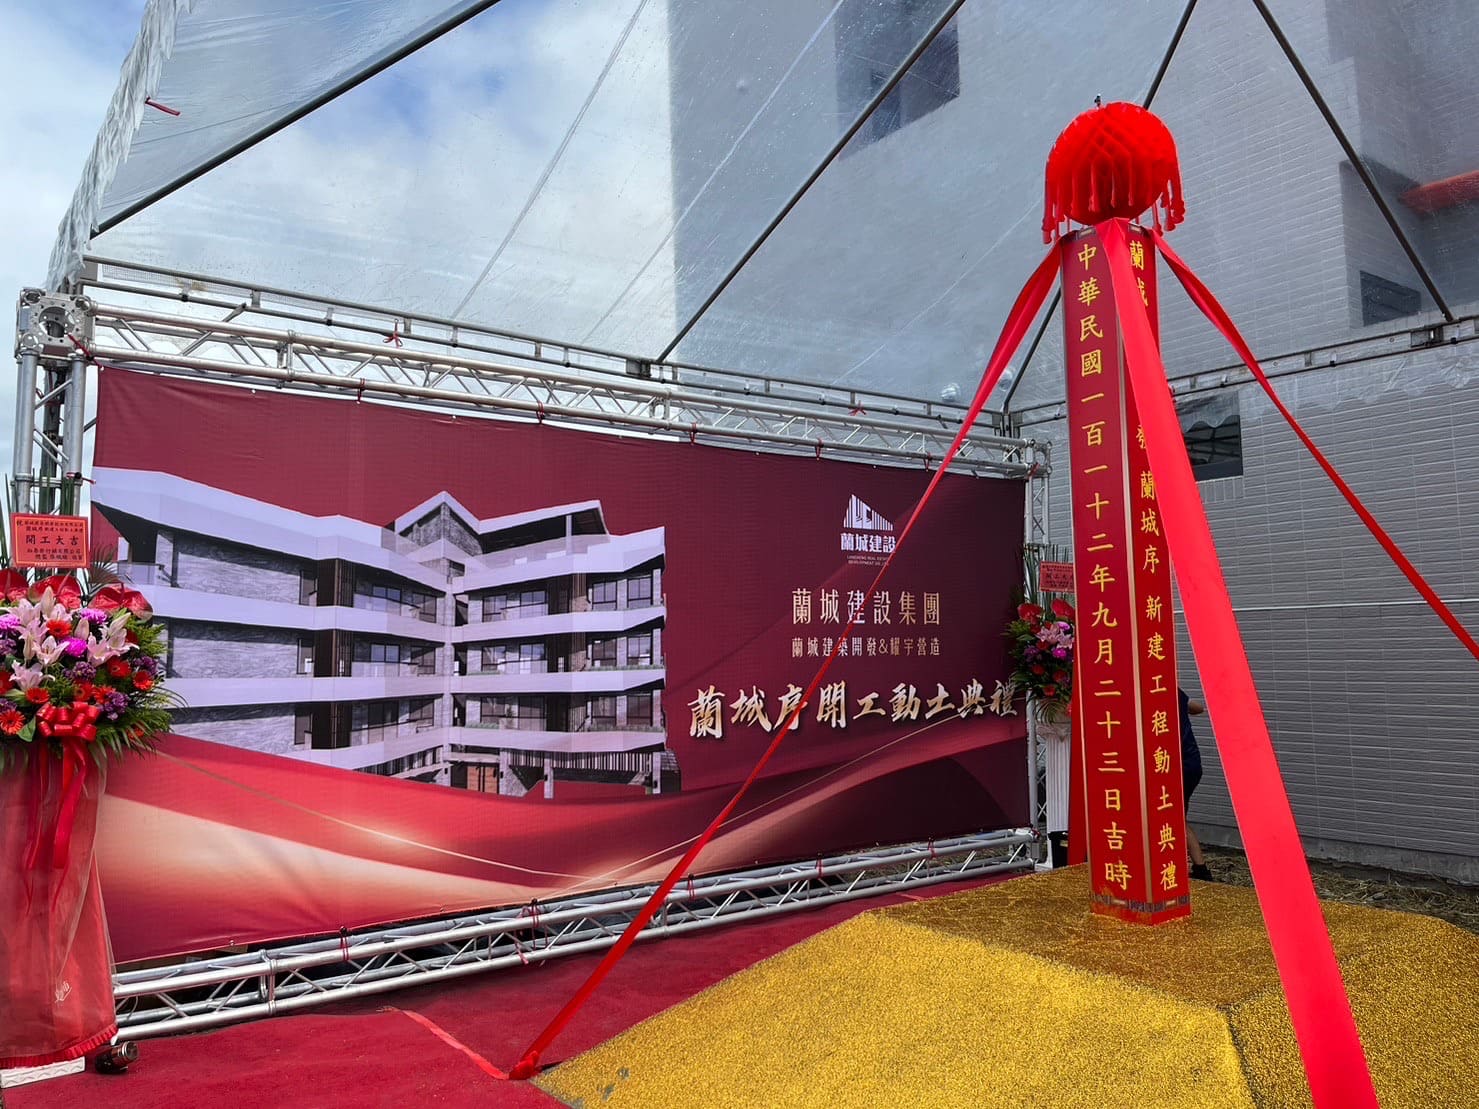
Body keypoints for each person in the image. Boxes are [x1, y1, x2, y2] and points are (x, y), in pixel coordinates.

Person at [1180, 686, 1213, 881]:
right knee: (1178, 817)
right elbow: (1198, 708)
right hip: (1192, 764)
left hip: (1178, 766)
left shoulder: (1151, 693)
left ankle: (1201, 870)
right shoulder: (1172, 691)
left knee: (1175, 818)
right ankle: (1200, 869)